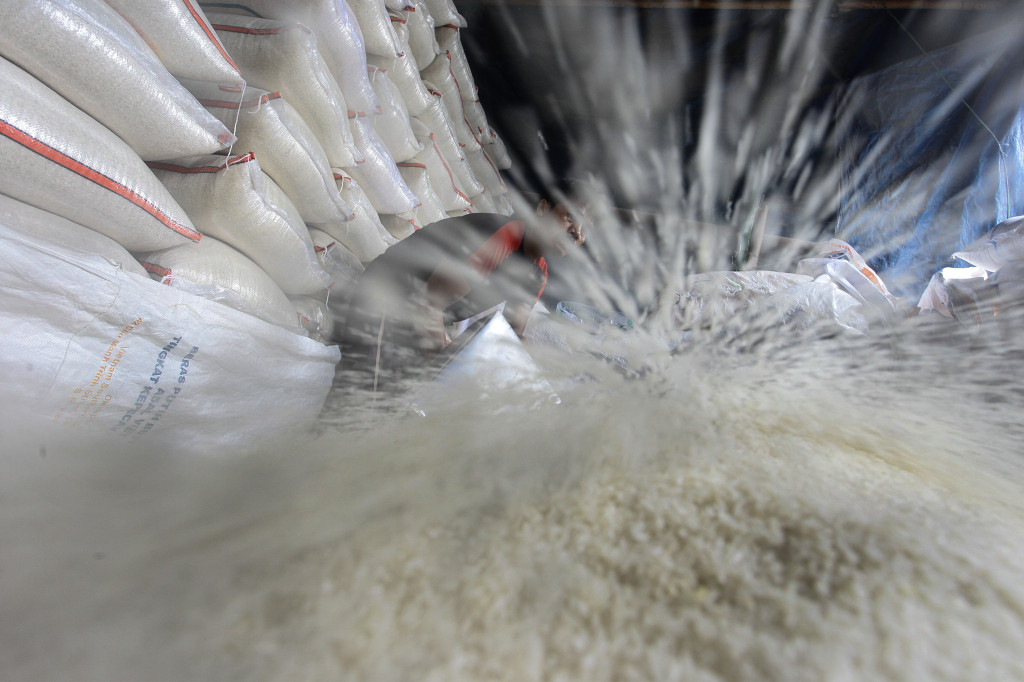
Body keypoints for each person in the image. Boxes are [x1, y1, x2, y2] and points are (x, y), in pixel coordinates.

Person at [335, 183, 590, 397]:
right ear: (543, 208)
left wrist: (530, 383)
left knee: (405, 408)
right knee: (361, 400)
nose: (576, 234)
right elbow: (427, 306)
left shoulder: (538, 272)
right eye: (571, 218)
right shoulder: (504, 236)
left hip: (416, 316)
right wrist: (444, 377)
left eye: (584, 230)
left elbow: (512, 339)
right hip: (389, 295)